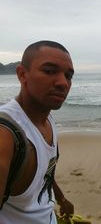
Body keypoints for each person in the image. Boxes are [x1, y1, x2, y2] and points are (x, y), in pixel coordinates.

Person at [0, 40, 74, 224]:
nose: (63, 83)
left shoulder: (47, 119)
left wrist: (60, 197)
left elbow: (46, 169)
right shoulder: (6, 135)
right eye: (49, 71)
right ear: (22, 74)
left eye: (69, 75)